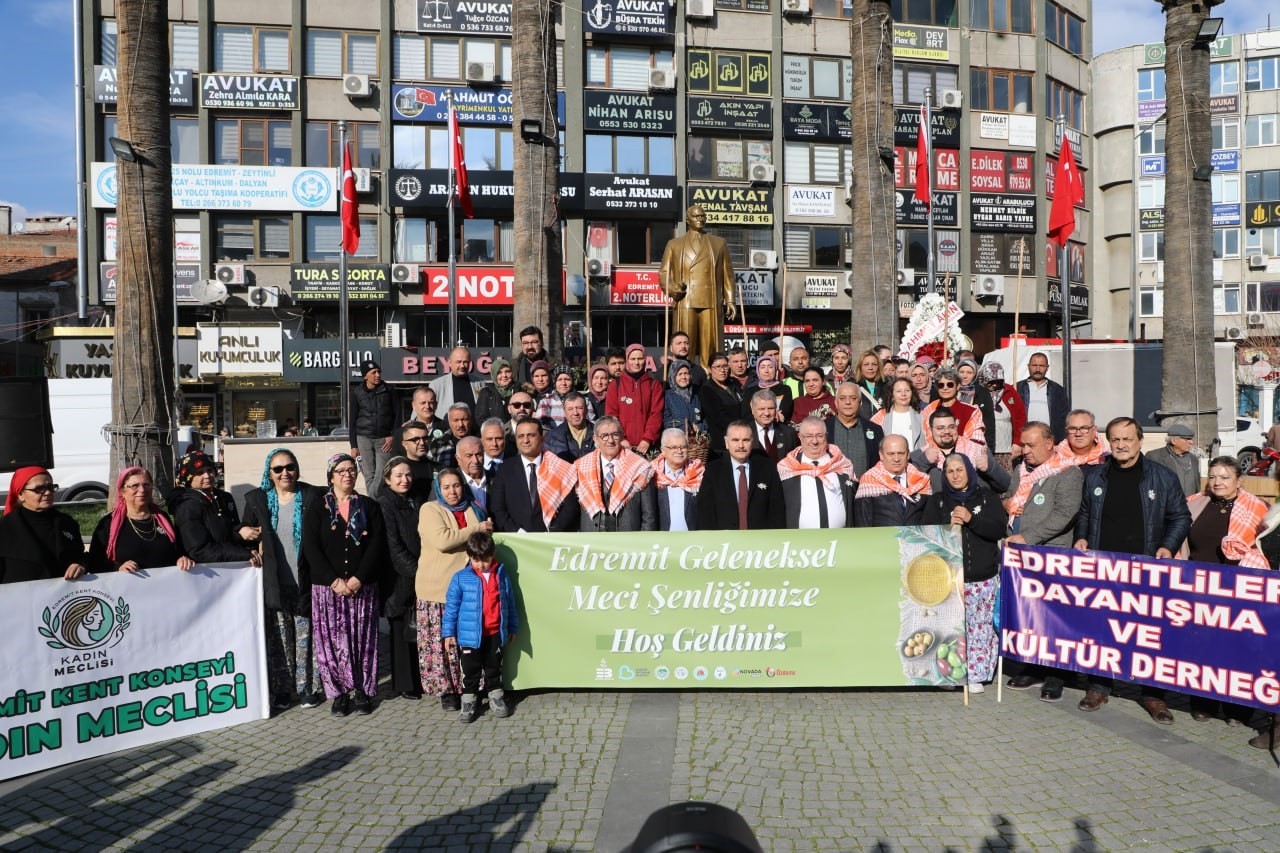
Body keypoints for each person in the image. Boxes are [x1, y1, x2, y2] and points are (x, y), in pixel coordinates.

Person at [1073, 417, 1191, 724]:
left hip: (1147, 569)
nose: (1122, 445)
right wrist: (1082, 537)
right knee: (1102, 629)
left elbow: (1181, 517)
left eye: (1127, 439)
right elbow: (1085, 514)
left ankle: (1153, 695)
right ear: (1108, 442)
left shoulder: (1162, 477)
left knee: (1147, 635)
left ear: (1140, 441)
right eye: (1115, 439)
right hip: (1105, 569)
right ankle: (1098, 686)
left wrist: (1168, 545)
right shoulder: (1097, 477)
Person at [1180, 456, 1269, 730]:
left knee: (1236, 651)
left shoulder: (1258, 509)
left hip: (1236, 593)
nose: (1217, 482)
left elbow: (1266, 550)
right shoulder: (1195, 502)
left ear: (1239, 481)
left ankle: (1237, 707)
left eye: (1225, 477)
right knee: (1202, 648)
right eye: (1213, 476)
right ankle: (1203, 703)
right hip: (1197, 589)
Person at [1002, 422, 1085, 702]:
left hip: (1051, 554)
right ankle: (1033, 667)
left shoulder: (1068, 472)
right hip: (1021, 556)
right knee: (1030, 615)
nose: (1024, 451)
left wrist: (1029, 536)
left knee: (1053, 617)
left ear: (1049, 443)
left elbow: (1065, 514)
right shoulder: (1021, 470)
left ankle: (1056, 674)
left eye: (1030, 445)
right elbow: (1007, 497)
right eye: (1023, 445)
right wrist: (1009, 504)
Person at [302, 453, 387, 717]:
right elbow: (311, 548)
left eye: (351, 470)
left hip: (362, 585)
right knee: (331, 642)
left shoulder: (369, 507)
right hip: (328, 588)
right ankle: (338, 693)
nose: (347, 474)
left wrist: (359, 577)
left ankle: (362, 690)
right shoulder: (317, 508)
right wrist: (334, 580)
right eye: (341, 471)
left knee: (362, 639)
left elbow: (377, 545)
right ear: (331, 476)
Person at [240, 448, 324, 711]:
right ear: (270, 472)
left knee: (306, 638)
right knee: (279, 641)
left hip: (305, 579)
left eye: (289, 467)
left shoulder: (313, 495)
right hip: (275, 581)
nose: (285, 473)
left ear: (297, 468)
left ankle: (308, 688)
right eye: (278, 469)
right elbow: (244, 535)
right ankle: (283, 690)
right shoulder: (257, 499)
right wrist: (241, 531)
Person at [923, 454, 1008, 693]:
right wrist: (948, 526)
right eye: (950, 472)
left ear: (969, 471)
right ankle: (952, 673)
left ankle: (976, 674)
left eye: (960, 470)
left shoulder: (987, 497)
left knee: (979, 627)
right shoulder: (938, 501)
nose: (956, 475)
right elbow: (929, 537)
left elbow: (997, 529)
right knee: (951, 626)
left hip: (981, 577)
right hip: (951, 578)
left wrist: (972, 519)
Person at [418, 468, 494, 712]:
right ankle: (448, 691)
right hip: (438, 588)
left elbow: (483, 541)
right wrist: (477, 528)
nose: (453, 491)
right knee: (443, 644)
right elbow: (443, 540)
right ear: (439, 489)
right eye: (447, 487)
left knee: (469, 641)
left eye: (457, 485)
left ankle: (472, 686)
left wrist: (480, 528)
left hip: (471, 589)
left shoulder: (474, 507)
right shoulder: (430, 509)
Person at [443, 530, 519, 723]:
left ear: (492, 555)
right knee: (470, 670)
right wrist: (448, 633)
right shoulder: (460, 578)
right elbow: (451, 607)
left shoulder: (501, 574)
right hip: (469, 637)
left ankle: (496, 697)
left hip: (494, 632)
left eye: (484, 559)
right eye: (476, 560)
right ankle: (468, 701)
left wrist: (512, 627)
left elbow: (509, 602)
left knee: (494, 668)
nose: (480, 564)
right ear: (469, 557)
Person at [659, 204, 737, 367]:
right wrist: (673, 288)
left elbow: (727, 274)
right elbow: (663, 273)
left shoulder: (718, 243)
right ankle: (684, 372)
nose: (700, 219)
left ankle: (711, 374)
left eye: (703, 216)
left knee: (711, 345)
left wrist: (730, 300)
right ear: (688, 220)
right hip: (686, 299)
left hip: (711, 299)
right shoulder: (674, 244)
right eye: (696, 216)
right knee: (685, 343)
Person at [377, 457, 424, 702]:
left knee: (416, 630)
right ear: (387, 479)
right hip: (399, 578)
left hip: (418, 574)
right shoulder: (385, 503)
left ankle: (420, 679)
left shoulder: (414, 499)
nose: (404, 480)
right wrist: (417, 571)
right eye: (398, 476)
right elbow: (393, 545)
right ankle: (405, 683)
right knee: (401, 632)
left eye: (407, 475)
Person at [88, 467, 195, 573]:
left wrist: (181, 559)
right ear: (122, 491)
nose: (142, 490)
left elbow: (176, 551)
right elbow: (94, 563)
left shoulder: (162, 518)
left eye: (146, 485)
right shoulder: (108, 524)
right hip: (126, 587)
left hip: (164, 585)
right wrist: (118, 568)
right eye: (135, 486)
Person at [168, 450, 260, 566]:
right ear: (188, 478)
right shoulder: (187, 505)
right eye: (199, 473)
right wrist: (243, 554)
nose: (207, 476)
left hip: (231, 567)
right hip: (206, 573)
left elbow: (226, 532)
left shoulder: (224, 498)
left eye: (210, 470)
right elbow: (199, 550)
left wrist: (241, 532)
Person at [489, 418, 580, 533]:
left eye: (531, 435)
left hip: (553, 540)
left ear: (542, 439)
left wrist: (553, 531)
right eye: (520, 436)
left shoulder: (559, 467)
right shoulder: (505, 469)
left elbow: (570, 507)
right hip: (516, 540)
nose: (525, 440)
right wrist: (516, 531)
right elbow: (498, 509)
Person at [0, 466, 87, 583]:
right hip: (22, 597)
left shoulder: (66, 522)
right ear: (21, 494)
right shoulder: (5, 527)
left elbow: (80, 555)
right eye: (39, 489)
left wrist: (80, 565)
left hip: (63, 596)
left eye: (51, 487)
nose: (47, 493)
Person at [696, 420, 786, 530]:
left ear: (752, 442)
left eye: (746, 440)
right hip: (724, 542)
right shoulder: (713, 471)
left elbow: (777, 510)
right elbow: (705, 513)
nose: (741, 445)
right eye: (735, 440)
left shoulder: (767, 468)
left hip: (761, 542)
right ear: (726, 442)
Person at [575, 416, 657, 531]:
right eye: (604, 436)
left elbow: (649, 516)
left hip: (628, 544)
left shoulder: (641, 467)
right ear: (595, 439)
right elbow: (573, 513)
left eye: (615, 434)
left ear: (622, 437)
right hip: (591, 543)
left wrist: (643, 545)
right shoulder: (580, 467)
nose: (610, 440)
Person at [778, 417, 856, 529]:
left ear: (826, 436)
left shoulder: (842, 466)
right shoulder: (787, 469)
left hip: (841, 539)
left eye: (820, 436)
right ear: (800, 437)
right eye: (809, 436)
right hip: (799, 541)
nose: (814, 441)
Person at [912, 408, 1009, 495]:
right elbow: (906, 486)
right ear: (930, 430)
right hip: (939, 512)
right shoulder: (920, 455)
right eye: (940, 428)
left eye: (951, 427)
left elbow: (1006, 486)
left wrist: (990, 468)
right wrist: (923, 462)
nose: (946, 431)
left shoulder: (978, 451)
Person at [853, 435, 931, 527]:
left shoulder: (921, 480)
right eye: (891, 454)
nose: (896, 459)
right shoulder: (869, 481)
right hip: (883, 540)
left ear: (908, 454)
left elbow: (929, 518)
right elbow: (863, 522)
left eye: (901, 453)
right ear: (881, 455)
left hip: (915, 539)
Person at [348, 360, 397, 499]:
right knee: (368, 474)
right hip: (363, 438)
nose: (377, 375)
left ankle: (370, 502)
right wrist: (353, 445)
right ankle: (376, 505)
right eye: (373, 372)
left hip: (384, 438)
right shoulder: (356, 393)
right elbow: (352, 420)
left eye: (379, 372)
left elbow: (398, 415)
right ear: (365, 376)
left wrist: (393, 435)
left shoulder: (390, 390)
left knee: (381, 474)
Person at [607, 344, 664, 456]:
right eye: (633, 359)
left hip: (647, 447)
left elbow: (656, 414)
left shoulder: (654, 385)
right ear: (627, 360)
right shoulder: (616, 385)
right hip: (623, 446)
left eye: (640, 358)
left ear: (645, 359)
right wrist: (621, 438)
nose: (636, 363)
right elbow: (611, 415)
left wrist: (647, 439)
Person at [825, 382, 885, 480]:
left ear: (860, 402)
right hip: (832, 489)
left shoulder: (876, 430)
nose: (848, 402)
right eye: (842, 398)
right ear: (836, 403)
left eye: (853, 398)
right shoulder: (824, 428)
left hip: (866, 489)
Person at [979, 362, 1026, 472]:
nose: (995, 385)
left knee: (1005, 479)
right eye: (991, 382)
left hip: (1006, 448)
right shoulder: (978, 393)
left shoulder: (1009, 392)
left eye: (998, 381)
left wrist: (1017, 443)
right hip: (983, 448)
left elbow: (1020, 418)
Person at [654, 428, 703, 531]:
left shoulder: (698, 473)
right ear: (663, 450)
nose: (679, 451)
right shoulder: (653, 475)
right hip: (661, 541)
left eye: (683, 447)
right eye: (674, 447)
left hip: (692, 540)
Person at [923, 368, 985, 447]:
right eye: (941, 385)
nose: (945, 388)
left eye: (950, 384)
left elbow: (976, 443)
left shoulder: (971, 412)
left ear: (958, 386)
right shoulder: (929, 410)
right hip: (934, 456)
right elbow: (925, 439)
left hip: (964, 455)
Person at [1017, 352, 1069, 442]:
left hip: (1048, 440)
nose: (1038, 369)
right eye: (1034, 365)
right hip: (1025, 439)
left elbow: (1064, 417)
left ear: (1047, 367)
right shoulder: (1017, 388)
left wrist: (1059, 441)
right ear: (1028, 366)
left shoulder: (1057, 390)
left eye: (1041, 366)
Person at [699, 352, 745, 452]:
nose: (722, 370)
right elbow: (718, 417)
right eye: (718, 367)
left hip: (741, 438)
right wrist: (739, 428)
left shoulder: (734, 384)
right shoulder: (707, 390)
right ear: (710, 369)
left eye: (725, 366)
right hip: (721, 442)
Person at [1146, 423, 1200, 497]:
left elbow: (1197, 488)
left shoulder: (1194, 459)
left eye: (1191, 439)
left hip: (1191, 507)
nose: (1191, 442)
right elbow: (1147, 485)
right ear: (1174, 440)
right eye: (1187, 439)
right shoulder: (1154, 457)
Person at [428, 346, 485, 416]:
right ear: (449, 362)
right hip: (445, 426)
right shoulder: (436, 385)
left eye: (465, 362)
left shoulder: (480, 383)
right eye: (458, 362)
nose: (462, 366)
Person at [871, 378, 924, 453]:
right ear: (892, 395)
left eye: (907, 390)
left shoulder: (922, 416)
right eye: (899, 391)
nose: (903, 394)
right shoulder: (880, 417)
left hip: (916, 461)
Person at [747, 389, 798, 462]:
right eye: (761, 409)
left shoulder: (789, 433)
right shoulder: (744, 433)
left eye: (771, 408)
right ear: (753, 410)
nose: (767, 413)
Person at [545, 391, 596, 462]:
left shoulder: (597, 433)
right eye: (570, 409)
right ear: (564, 412)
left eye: (579, 408)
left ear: (586, 410)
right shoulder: (553, 436)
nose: (575, 413)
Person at [741, 354, 794, 423]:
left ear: (775, 370)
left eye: (770, 367)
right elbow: (746, 415)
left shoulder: (784, 389)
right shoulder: (750, 391)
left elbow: (785, 413)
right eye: (762, 367)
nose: (766, 371)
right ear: (758, 371)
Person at [955, 358, 996, 446]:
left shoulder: (982, 393)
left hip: (974, 442)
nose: (964, 376)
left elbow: (989, 422)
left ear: (975, 375)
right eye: (961, 372)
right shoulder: (951, 389)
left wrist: (988, 446)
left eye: (969, 373)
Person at [663, 360, 708, 438]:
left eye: (686, 373)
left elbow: (704, 418)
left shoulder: (696, 396)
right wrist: (687, 426)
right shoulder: (667, 396)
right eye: (679, 374)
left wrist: (700, 428)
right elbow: (666, 422)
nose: (683, 377)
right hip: (676, 441)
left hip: (696, 444)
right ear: (673, 376)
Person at [397, 420, 438, 502]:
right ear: (405, 445)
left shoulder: (438, 468)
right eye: (416, 439)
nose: (422, 443)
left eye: (425, 438)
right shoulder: (397, 471)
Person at [475, 357, 519, 424]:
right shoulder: (487, 393)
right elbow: (481, 418)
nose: (504, 375)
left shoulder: (519, 390)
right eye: (499, 372)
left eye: (507, 371)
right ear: (494, 374)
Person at [455, 436, 489, 512]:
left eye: (478, 454)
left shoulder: (497, 478)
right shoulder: (447, 482)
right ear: (458, 459)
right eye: (469, 456)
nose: (475, 461)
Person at [852, 349, 885, 422]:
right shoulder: (853, 387)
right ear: (860, 367)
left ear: (879, 367)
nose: (870, 368)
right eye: (866, 364)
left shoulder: (887, 386)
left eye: (874, 364)